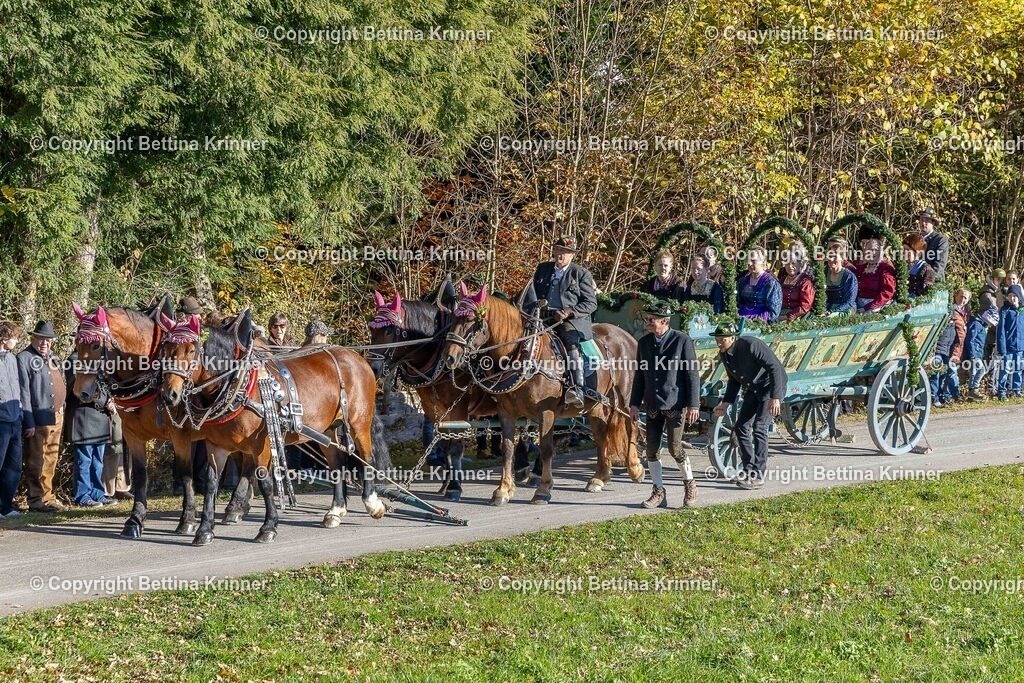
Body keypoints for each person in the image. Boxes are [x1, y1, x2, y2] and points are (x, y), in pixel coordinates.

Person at [628, 301, 700, 509]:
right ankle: (658, 491)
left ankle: (690, 484)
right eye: (647, 318)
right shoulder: (643, 343)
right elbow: (639, 376)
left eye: (651, 319)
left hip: (675, 404)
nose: (647, 322)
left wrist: (693, 405)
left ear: (665, 321)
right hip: (651, 403)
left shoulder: (682, 341)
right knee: (651, 450)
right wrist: (634, 403)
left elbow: (691, 375)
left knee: (675, 449)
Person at [711, 323, 787, 489]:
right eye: (717, 339)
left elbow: (774, 367)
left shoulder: (751, 345)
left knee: (760, 427)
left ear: (733, 338)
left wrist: (776, 397)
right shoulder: (725, 354)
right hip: (754, 389)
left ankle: (758, 475)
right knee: (741, 427)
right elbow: (733, 380)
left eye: (722, 339)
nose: (719, 343)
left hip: (770, 387)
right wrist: (726, 403)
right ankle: (748, 469)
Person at [530, 236, 600, 407]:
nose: (560, 254)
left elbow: (591, 303)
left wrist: (569, 312)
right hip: (542, 316)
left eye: (565, 251)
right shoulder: (543, 269)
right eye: (558, 250)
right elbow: (531, 293)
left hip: (570, 320)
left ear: (572, 255)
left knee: (570, 343)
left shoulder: (581, 273)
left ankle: (577, 388)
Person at [17, 321, 66, 513]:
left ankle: (48, 496)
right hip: (37, 418)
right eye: (40, 338)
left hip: (56, 416)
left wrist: (62, 406)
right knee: (35, 460)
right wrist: (28, 421)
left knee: (51, 458)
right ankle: (36, 499)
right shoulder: (24, 358)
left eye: (48, 339)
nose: (44, 342)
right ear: (33, 338)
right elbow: (24, 393)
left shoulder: (54, 358)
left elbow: (60, 383)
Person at [65, 352, 115, 506]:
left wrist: (112, 397)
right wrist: (106, 401)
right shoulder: (74, 360)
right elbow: (82, 391)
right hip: (84, 415)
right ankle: (83, 496)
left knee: (98, 461)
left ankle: (97, 493)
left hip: (100, 417)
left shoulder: (100, 362)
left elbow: (108, 384)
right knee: (84, 460)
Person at [0, 322, 23, 518]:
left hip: (15, 419)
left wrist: (21, 414)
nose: (16, 341)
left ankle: (6, 506)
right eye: (15, 337)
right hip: (1, 420)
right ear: (4, 338)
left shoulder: (13, 359)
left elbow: (17, 387)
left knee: (13, 466)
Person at [931, 289, 968, 407]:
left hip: (948, 349)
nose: (962, 300)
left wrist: (956, 351)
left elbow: (958, 335)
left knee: (943, 375)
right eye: (961, 296)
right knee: (936, 373)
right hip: (939, 347)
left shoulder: (963, 313)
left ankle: (941, 398)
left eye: (965, 298)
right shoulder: (948, 311)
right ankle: (934, 398)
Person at [737, 247, 782, 322]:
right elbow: (738, 303)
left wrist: (753, 319)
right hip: (740, 319)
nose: (749, 263)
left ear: (762, 261)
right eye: (748, 260)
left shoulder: (771, 283)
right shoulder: (743, 281)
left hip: (760, 324)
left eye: (753, 261)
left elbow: (773, 312)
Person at [996, 284, 1024, 399]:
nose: (1012, 298)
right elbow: (1001, 330)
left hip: (1020, 346)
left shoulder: (1022, 311)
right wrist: (1002, 348)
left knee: (1018, 369)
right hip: (1007, 346)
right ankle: (1001, 391)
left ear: (1019, 297)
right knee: (1005, 369)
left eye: (1014, 296)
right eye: (1010, 296)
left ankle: (1016, 390)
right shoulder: (1005, 310)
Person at [853, 237, 896, 312]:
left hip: (876, 306)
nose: (872, 253)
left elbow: (887, 292)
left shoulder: (885, 268)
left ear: (881, 252)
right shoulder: (862, 268)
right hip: (858, 305)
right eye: (869, 250)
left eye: (875, 250)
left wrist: (867, 307)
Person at [779, 245, 815, 322]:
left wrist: (787, 317)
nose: (790, 266)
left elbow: (805, 306)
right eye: (787, 263)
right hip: (779, 314)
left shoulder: (805, 281)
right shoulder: (782, 280)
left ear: (800, 264)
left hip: (798, 317)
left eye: (793, 263)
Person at [824, 237, 857, 314]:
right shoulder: (824, 272)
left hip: (843, 309)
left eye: (835, 256)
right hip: (826, 307)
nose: (831, 259)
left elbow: (849, 301)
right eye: (830, 256)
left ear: (842, 258)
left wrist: (832, 312)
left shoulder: (849, 276)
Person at [103, 410, 132, 499]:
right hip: (112, 408)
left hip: (128, 407)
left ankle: (122, 488)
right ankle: (108, 490)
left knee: (128, 446)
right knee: (113, 448)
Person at [964, 304, 989, 401]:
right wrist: (973, 354)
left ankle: (971, 393)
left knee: (973, 372)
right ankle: (975, 388)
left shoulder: (981, 324)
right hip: (974, 353)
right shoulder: (976, 324)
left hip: (976, 352)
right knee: (981, 370)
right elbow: (971, 340)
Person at [916, 208, 948, 280]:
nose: (923, 223)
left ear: (932, 223)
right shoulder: (914, 238)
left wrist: (929, 279)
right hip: (915, 282)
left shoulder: (940, 240)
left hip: (933, 282)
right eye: (921, 220)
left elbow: (939, 265)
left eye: (927, 220)